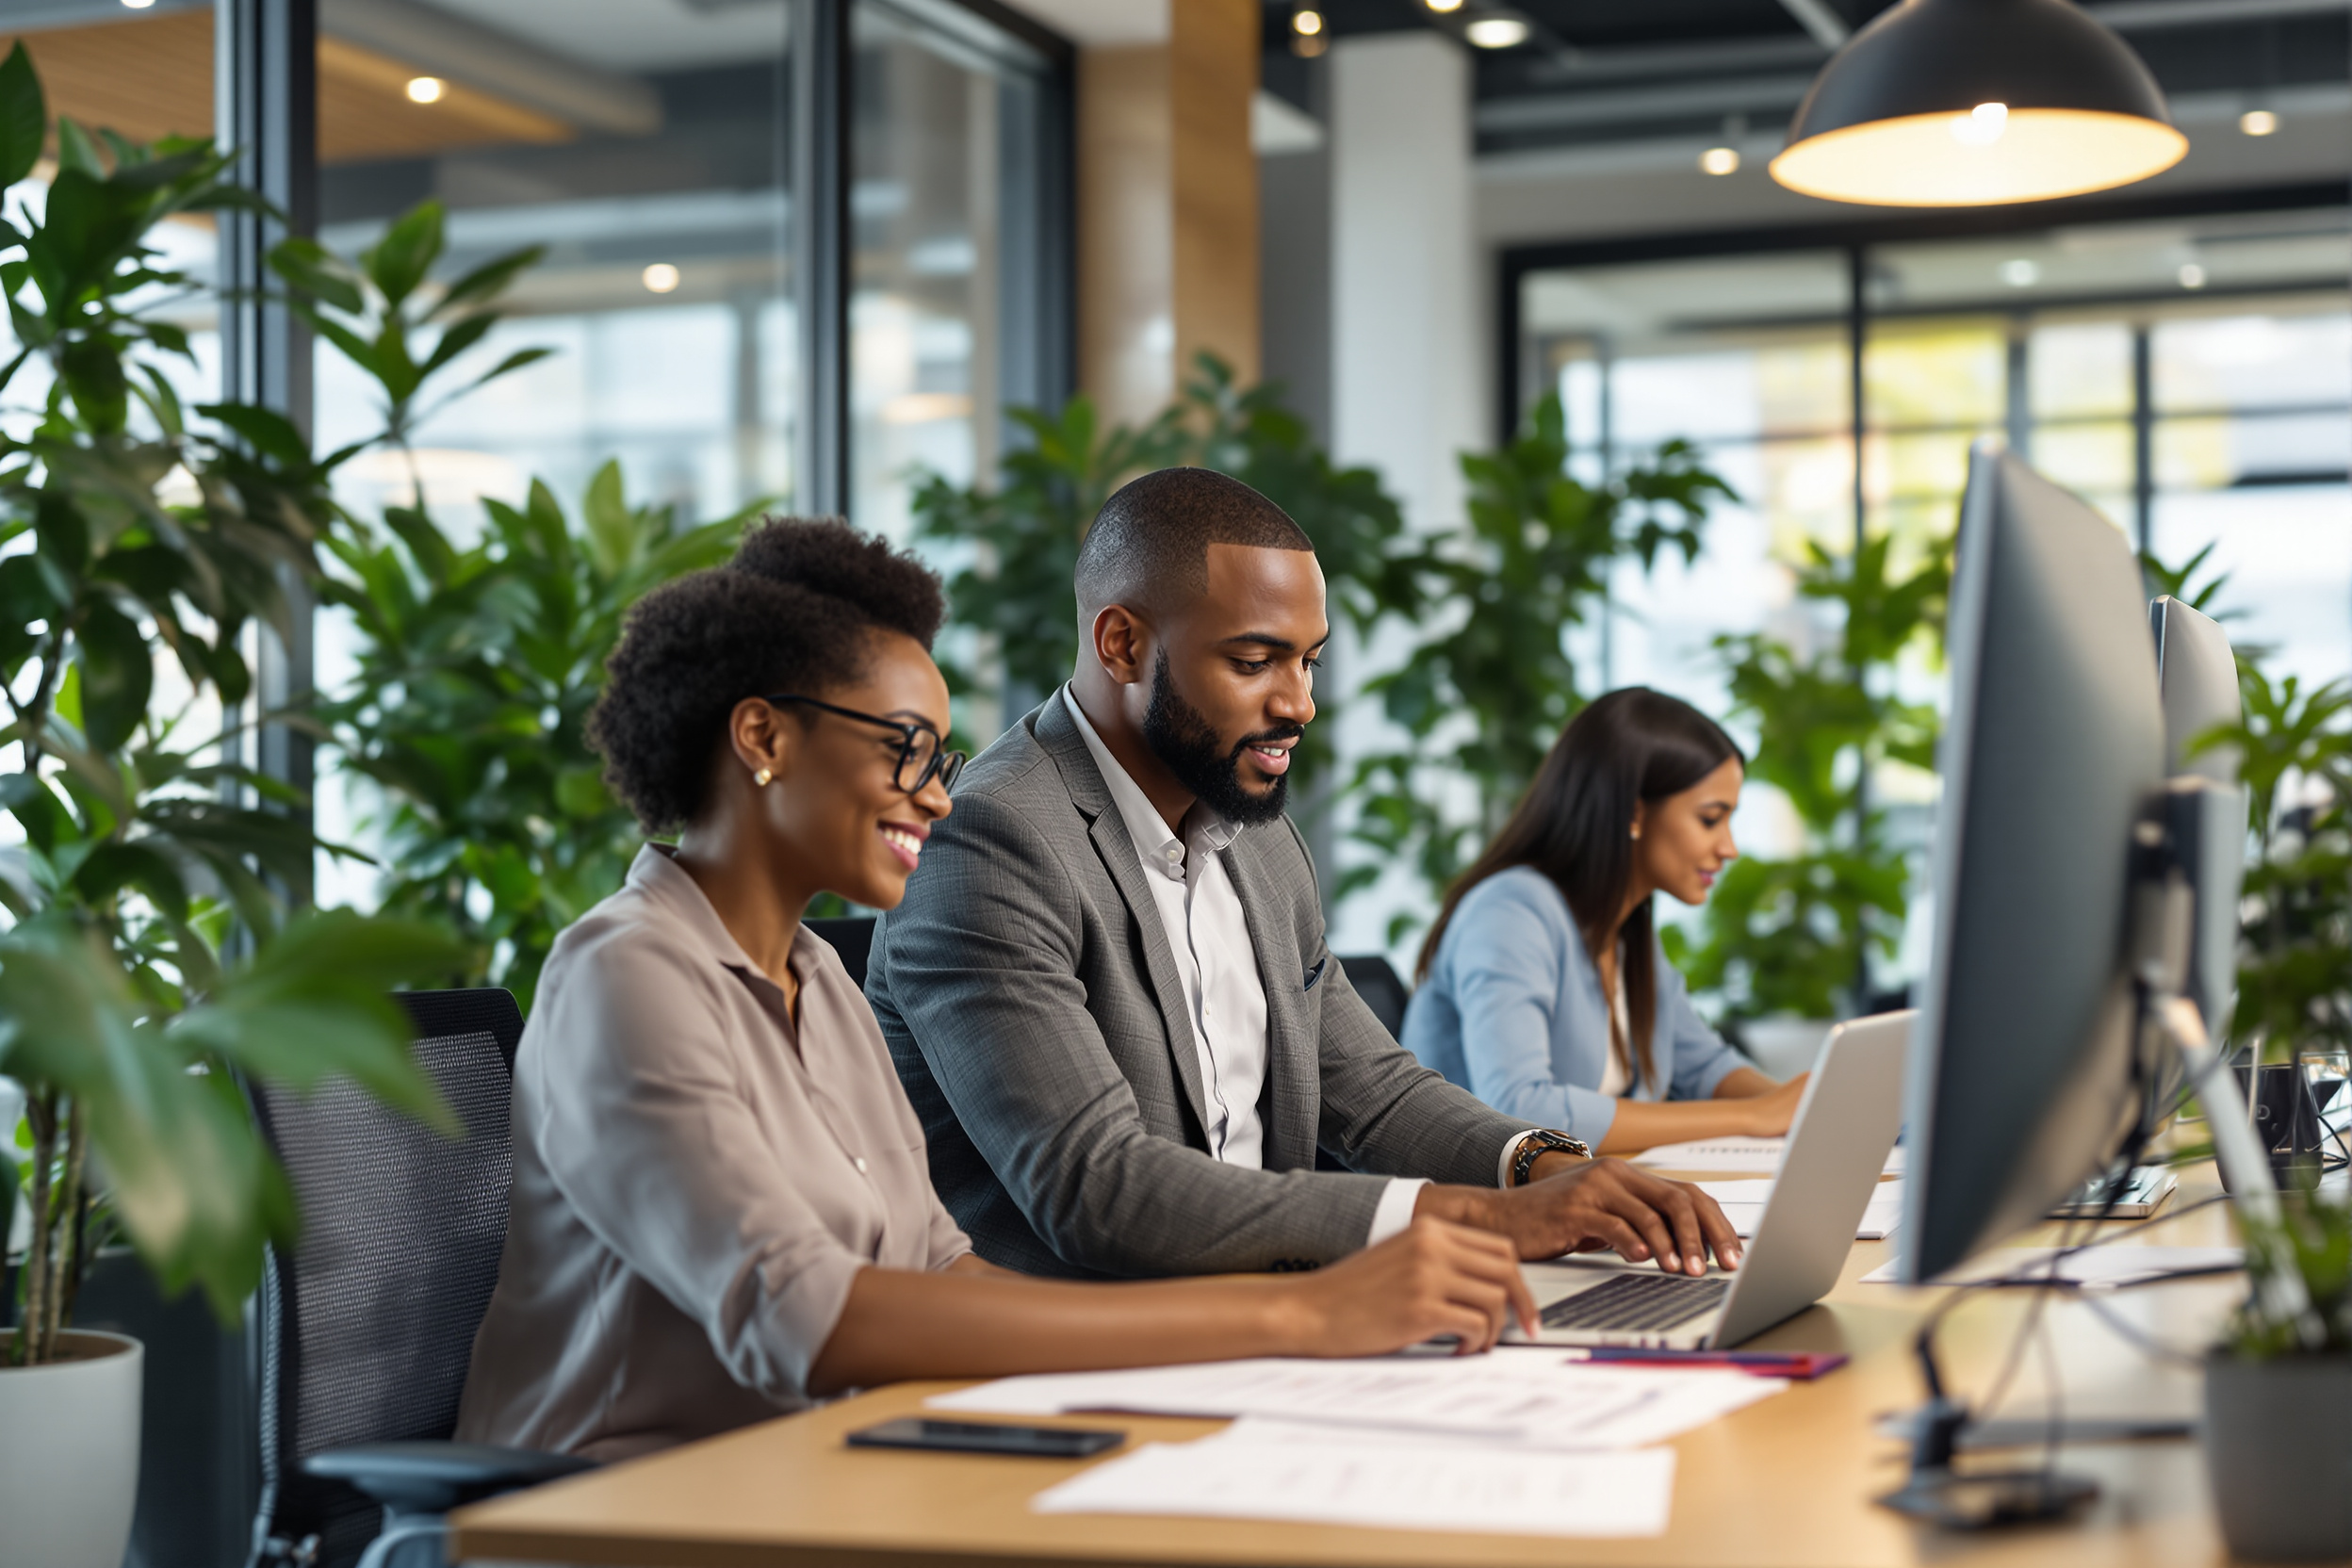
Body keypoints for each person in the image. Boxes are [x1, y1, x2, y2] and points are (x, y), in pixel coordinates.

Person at [455, 518, 1541, 1462]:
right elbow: (805, 1321)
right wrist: (1296, 1311)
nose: (938, 795)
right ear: (764, 736)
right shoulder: (626, 972)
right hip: (630, 1502)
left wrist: (1233, 1347)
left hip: (842, 1458)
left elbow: (940, 1267)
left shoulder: (818, 975)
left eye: (942, 753)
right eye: (908, 751)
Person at [867, 467, 1740, 1287]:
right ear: (1123, 644)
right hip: (1083, 1366)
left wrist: (1549, 1169)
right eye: (1254, 663)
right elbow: (1099, 1188)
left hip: (1274, 1328)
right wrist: (1476, 1219)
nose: (1299, 704)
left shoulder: (1261, 841)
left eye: (1308, 660)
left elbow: (1376, 1095)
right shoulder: (992, 838)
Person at [1401, 687, 1808, 1155]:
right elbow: (1518, 1105)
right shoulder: (1510, 911)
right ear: (1635, 811)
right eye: (1710, 819)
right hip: (1475, 1212)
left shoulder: (1626, 930)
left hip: (1591, 1197)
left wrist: (1802, 1107)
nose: (1729, 848)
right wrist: (1756, 1117)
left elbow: (1703, 1066)